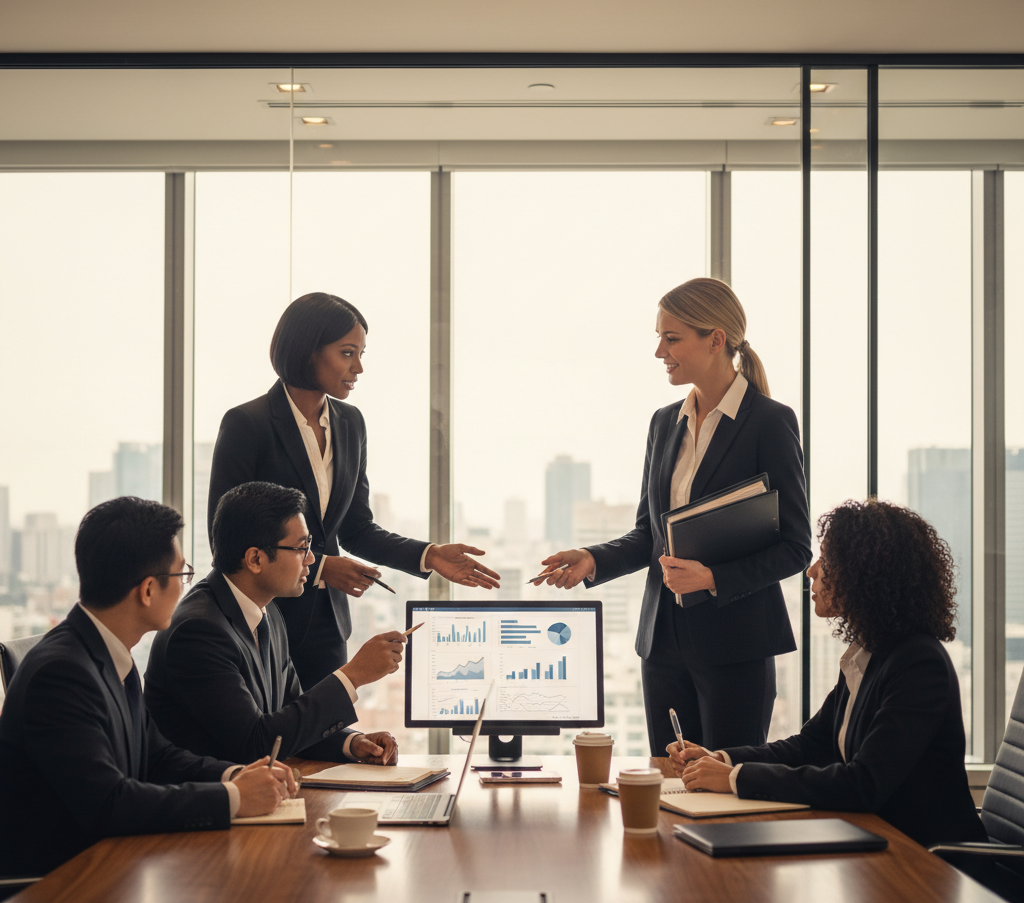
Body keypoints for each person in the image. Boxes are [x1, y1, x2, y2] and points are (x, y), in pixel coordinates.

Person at [534, 278, 811, 755]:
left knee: (722, 785)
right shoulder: (665, 422)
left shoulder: (770, 422)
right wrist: (592, 559)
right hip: (662, 645)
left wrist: (712, 578)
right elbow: (650, 534)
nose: (660, 351)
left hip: (736, 646)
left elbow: (796, 547)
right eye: (660, 337)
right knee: (668, 783)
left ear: (716, 339)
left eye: (672, 338)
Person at [208, 292, 500, 690]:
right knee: (267, 728)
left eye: (361, 354)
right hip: (261, 620)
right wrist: (321, 568)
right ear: (308, 350)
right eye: (347, 353)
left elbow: (356, 529)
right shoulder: (248, 423)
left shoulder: (350, 423)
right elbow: (225, 538)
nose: (358, 367)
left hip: (326, 625)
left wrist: (429, 555)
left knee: (328, 725)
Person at [0, 498, 296, 879]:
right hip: (58, 890)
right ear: (148, 590)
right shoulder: (61, 674)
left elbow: (158, 757)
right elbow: (110, 803)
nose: (187, 587)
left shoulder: (107, 653)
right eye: (182, 574)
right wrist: (234, 799)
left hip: (112, 870)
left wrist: (235, 775)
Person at [669, 499, 986, 849]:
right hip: (877, 844)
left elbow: (863, 784)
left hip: (927, 862)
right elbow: (810, 745)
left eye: (827, 561)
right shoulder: (869, 651)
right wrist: (722, 759)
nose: (812, 571)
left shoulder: (918, 665)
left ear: (864, 575)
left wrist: (734, 778)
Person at [145, 481, 405, 765]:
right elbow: (256, 743)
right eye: (302, 547)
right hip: (209, 790)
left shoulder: (268, 610)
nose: (311, 559)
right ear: (255, 559)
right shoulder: (198, 631)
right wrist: (353, 675)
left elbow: (289, 719)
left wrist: (352, 743)